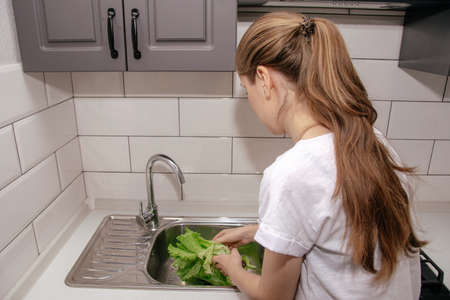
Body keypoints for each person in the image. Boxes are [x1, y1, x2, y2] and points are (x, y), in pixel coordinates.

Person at [211, 12, 426, 300]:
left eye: (246, 87)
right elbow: (341, 225)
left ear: (263, 79)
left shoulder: (291, 173)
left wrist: (232, 269)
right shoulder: (373, 140)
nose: (249, 101)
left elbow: (274, 296)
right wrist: (260, 231)